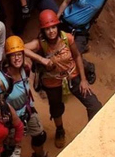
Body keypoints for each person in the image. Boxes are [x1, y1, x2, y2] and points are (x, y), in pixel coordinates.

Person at [23, 10, 102, 149]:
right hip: (52, 81)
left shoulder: (67, 38)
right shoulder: (41, 43)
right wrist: (41, 59)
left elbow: (77, 56)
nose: (51, 31)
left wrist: (83, 80)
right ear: (43, 30)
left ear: (58, 27)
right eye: (47, 29)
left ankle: (92, 133)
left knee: (94, 104)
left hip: (73, 76)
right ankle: (60, 130)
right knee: (56, 107)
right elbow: (20, 48)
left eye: (53, 27)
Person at [0, 36, 54, 157]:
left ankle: (39, 156)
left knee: (39, 135)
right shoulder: (1, 81)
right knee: (11, 147)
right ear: (8, 58)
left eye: (19, 54)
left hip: (27, 109)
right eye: (13, 55)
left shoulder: (24, 68)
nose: (17, 58)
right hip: (10, 117)